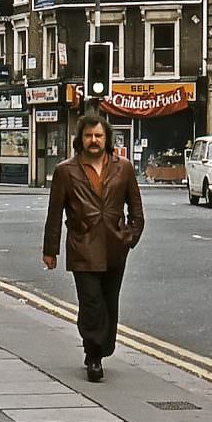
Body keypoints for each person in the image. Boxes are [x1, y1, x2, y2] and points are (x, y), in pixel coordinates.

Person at [43, 114, 145, 383]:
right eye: (89, 136)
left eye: (99, 136)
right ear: (81, 139)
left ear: (107, 139)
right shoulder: (66, 171)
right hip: (83, 246)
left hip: (114, 247)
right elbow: (54, 214)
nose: (94, 140)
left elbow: (136, 209)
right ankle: (93, 355)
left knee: (109, 303)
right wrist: (50, 250)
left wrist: (130, 237)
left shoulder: (123, 168)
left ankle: (102, 347)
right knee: (91, 302)